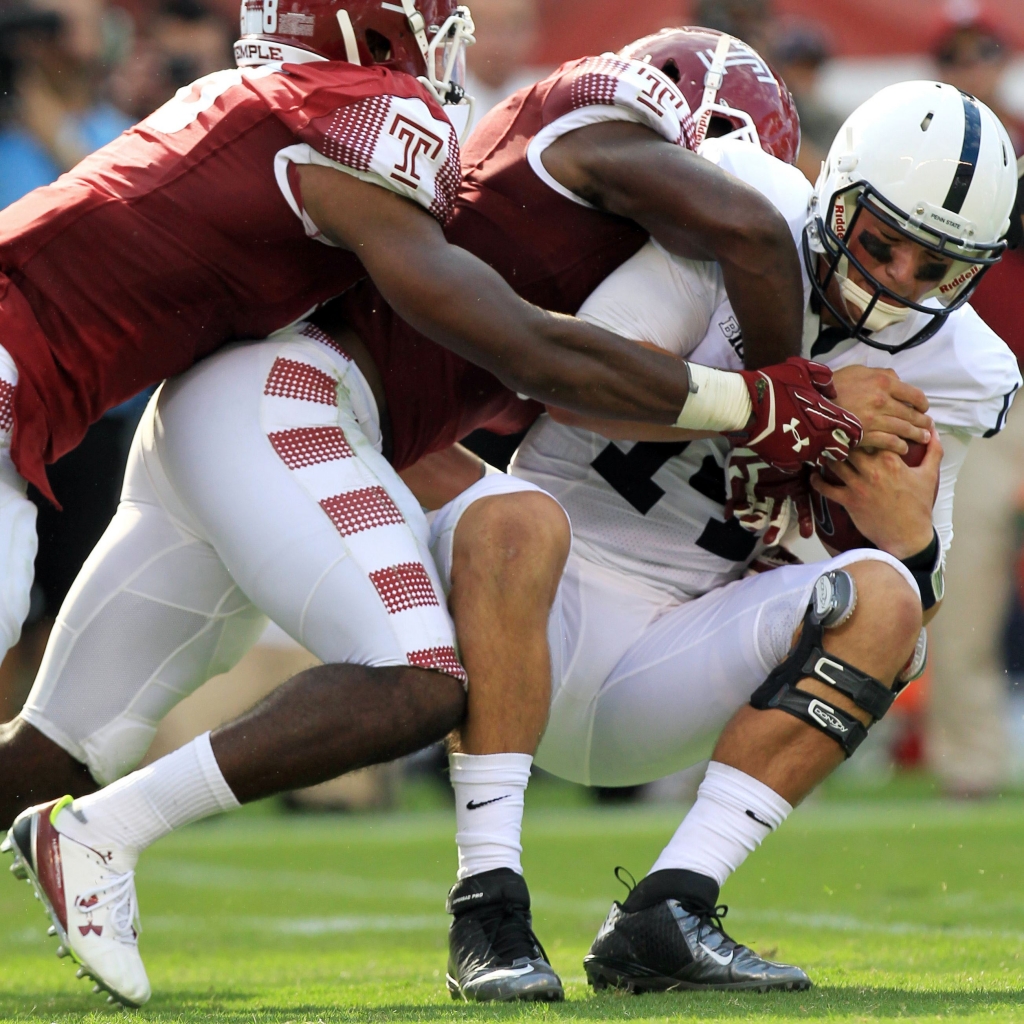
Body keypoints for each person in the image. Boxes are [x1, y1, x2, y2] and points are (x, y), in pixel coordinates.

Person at [0, 19, 860, 1007]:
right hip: (276, 397)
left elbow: (525, 383)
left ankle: (83, 808)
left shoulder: (522, 191)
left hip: (238, 412)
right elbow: (733, 238)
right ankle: (104, 829)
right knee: (416, 677)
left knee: (52, 750)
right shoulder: (575, 122)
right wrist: (774, 391)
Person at [489, 80, 1017, 992]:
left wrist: (909, 545)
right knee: (462, 508)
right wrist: (780, 412)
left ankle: (671, 906)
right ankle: (485, 906)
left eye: (936, 269)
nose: (899, 280)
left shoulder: (968, 369)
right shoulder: (741, 210)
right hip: (529, 602)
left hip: (668, 662)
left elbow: (911, 623)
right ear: (835, 191)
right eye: (883, 243)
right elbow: (570, 380)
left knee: (893, 604)